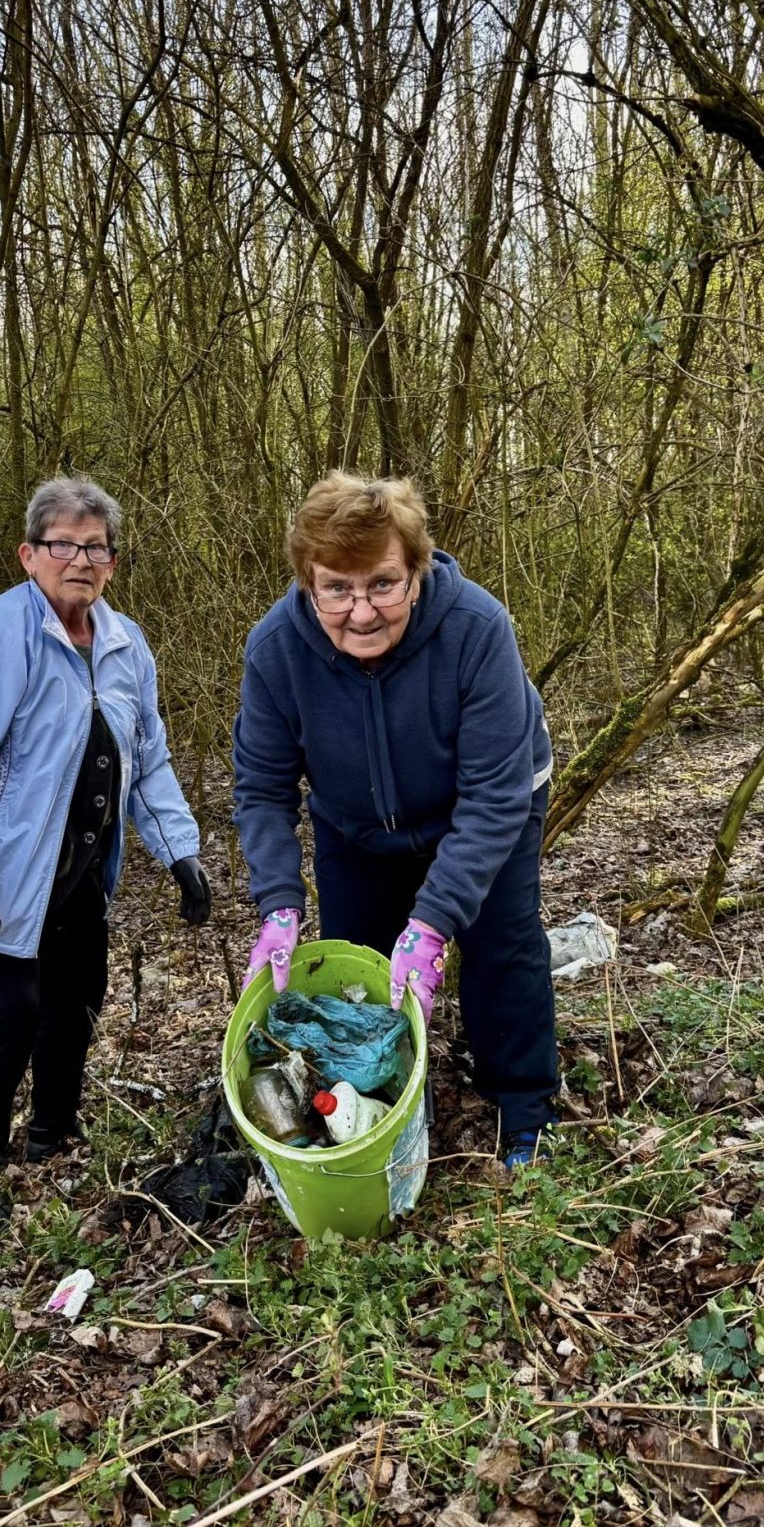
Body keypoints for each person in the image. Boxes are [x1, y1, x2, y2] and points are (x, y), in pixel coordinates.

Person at [0, 476, 211, 1235]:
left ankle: (52, 1133)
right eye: (65, 544)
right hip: (2, 879)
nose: (82, 558)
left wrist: (180, 851)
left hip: (82, 873)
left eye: (97, 547)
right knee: (8, 1016)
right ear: (30, 554)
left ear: (111, 560)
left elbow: (149, 757)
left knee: (74, 1002)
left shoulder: (124, 642)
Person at [232, 472, 556, 1166]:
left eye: (382, 584)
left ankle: (524, 1110)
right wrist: (280, 905)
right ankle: (384, 1114)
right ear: (307, 582)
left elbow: (495, 796)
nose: (361, 611)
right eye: (336, 589)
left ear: (416, 571)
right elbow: (262, 788)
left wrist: (435, 921)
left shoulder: (475, 628)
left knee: (501, 942)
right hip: (357, 827)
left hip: (489, 803)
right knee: (364, 970)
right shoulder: (275, 651)